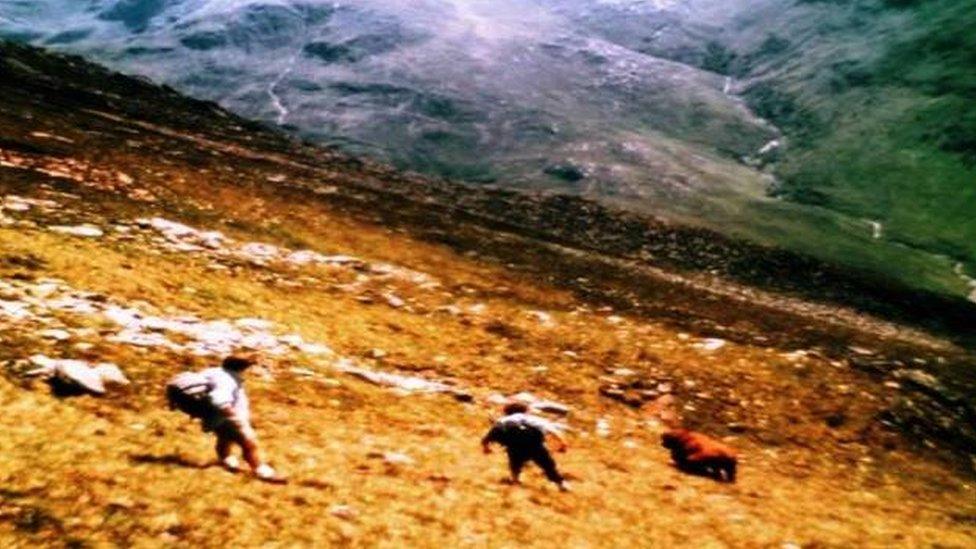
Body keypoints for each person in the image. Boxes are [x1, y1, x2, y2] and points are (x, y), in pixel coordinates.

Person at [168, 355, 284, 483]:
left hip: (212, 415)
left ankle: (228, 462)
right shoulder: (229, 380)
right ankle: (262, 472)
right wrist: (233, 417)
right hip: (224, 415)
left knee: (225, 438)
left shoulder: (214, 371)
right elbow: (219, 400)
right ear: (243, 367)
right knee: (249, 444)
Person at [481, 401, 570, 491]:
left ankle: (515, 480)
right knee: (547, 465)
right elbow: (552, 429)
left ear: (506, 411)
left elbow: (490, 435)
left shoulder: (503, 420)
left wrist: (486, 447)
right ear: (525, 410)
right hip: (534, 444)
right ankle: (560, 483)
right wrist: (563, 443)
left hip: (514, 445)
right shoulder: (532, 418)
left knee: (515, 462)